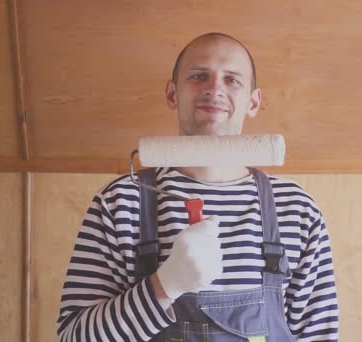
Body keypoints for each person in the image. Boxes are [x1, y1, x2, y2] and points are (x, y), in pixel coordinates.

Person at [56, 32, 339, 341]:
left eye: (232, 80)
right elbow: (73, 337)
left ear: (253, 102)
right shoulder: (121, 203)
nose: (214, 89)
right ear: (172, 94)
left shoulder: (296, 210)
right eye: (198, 76)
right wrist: (164, 286)